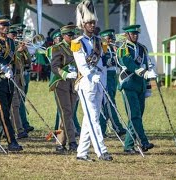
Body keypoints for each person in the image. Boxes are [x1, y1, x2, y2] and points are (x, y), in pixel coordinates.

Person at [72, 0, 112, 161]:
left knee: (89, 118)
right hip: (86, 83)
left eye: (93, 22)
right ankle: (101, 151)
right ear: (82, 24)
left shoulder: (99, 41)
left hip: (100, 81)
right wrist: (91, 74)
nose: (92, 25)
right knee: (93, 117)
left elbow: (102, 61)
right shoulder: (77, 43)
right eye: (89, 23)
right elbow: (81, 64)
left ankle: (81, 153)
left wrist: (107, 65)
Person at [116, 24, 156, 154]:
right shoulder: (123, 49)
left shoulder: (142, 48)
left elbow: (146, 65)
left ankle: (128, 146)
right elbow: (130, 65)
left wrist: (148, 85)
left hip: (140, 86)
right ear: (126, 35)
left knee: (136, 116)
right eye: (132, 34)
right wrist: (144, 73)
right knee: (134, 115)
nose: (135, 35)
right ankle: (143, 142)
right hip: (128, 84)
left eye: (136, 33)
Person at [0, 15, 23, 153]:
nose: (5, 28)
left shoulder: (11, 42)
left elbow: (12, 59)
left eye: (7, 25)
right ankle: (11, 141)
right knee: (4, 113)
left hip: (8, 81)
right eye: (2, 25)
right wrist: (5, 67)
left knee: (1, 112)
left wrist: (12, 70)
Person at [49, 25, 79, 153]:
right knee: (66, 112)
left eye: (73, 35)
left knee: (68, 114)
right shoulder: (57, 48)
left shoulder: (77, 47)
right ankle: (72, 142)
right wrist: (65, 74)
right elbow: (54, 67)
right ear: (63, 36)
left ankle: (60, 143)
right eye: (69, 35)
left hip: (73, 83)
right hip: (61, 83)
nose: (72, 37)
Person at [99, 29, 126, 137]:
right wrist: (116, 58)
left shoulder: (114, 48)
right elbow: (106, 62)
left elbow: (120, 62)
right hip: (105, 76)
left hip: (114, 77)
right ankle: (117, 127)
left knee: (106, 104)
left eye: (112, 38)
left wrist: (118, 52)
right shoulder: (102, 48)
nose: (111, 40)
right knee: (110, 102)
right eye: (108, 38)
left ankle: (101, 129)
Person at [7, 25, 31, 139]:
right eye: (13, 34)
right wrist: (17, 51)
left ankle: (13, 129)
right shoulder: (8, 46)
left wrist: (25, 50)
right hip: (10, 79)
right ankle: (19, 130)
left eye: (16, 35)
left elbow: (28, 63)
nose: (15, 37)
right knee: (14, 106)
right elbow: (7, 60)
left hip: (19, 79)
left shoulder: (18, 47)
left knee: (16, 105)